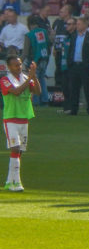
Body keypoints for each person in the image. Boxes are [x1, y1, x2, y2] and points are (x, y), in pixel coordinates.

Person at [1, 57, 41, 191]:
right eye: (15, 65)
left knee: (20, 152)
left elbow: (37, 92)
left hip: (24, 119)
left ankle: (9, 181)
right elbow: (16, 92)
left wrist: (34, 77)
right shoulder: (5, 80)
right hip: (11, 118)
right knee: (15, 148)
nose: (18, 67)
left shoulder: (25, 77)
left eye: (19, 65)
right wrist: (29, 78)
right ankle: (17, 183)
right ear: (9, 67)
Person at [67, 17, 89, 115]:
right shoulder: (73, 36)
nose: (77, 26)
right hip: (74, 65)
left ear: (85, 25)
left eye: (79, 24)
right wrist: (70, 62)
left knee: (88, 89)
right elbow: (71, 50)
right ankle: (74, 109)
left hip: (85, 66)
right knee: (74, 89)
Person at [22, 15, 51, 106]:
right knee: (42, 79)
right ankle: (45, 100)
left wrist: (18, 61)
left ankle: (35, 101)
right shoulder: (44, 32)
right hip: (45, 60)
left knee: (34, 81)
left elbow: (25, 53)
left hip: (35, 61)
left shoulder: (29, 35)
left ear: (29, 24)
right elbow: (48, 45)